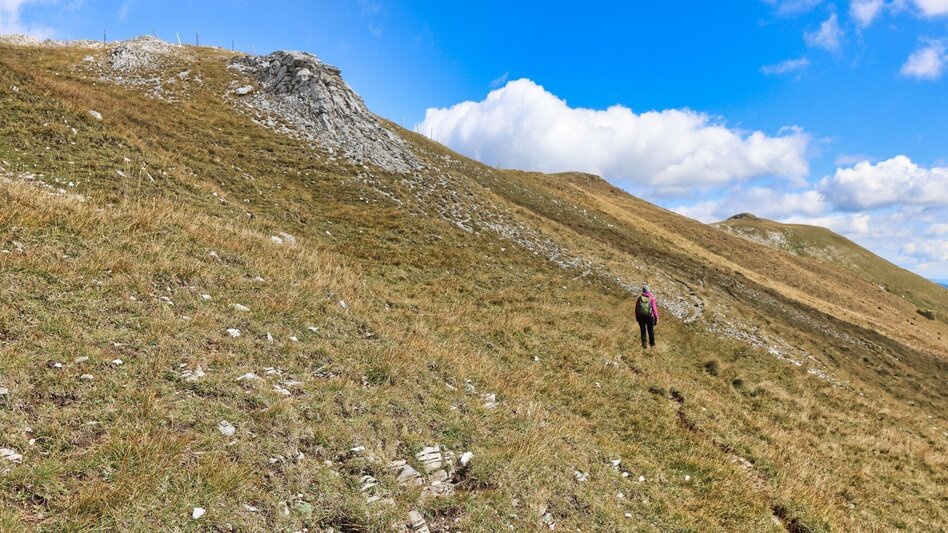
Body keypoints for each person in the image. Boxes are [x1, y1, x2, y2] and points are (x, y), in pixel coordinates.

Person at [635, 284, 659, 349]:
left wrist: (637, 317)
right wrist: (656, 318)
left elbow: (636, 308)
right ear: (648, 290)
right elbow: (654, 309)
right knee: (650, 331)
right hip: (649, 317)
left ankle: (644, 345)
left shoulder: (639, 298)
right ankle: (652, 345)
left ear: (643, 291)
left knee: (643, 331)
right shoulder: (652, 298)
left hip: (641, 317)